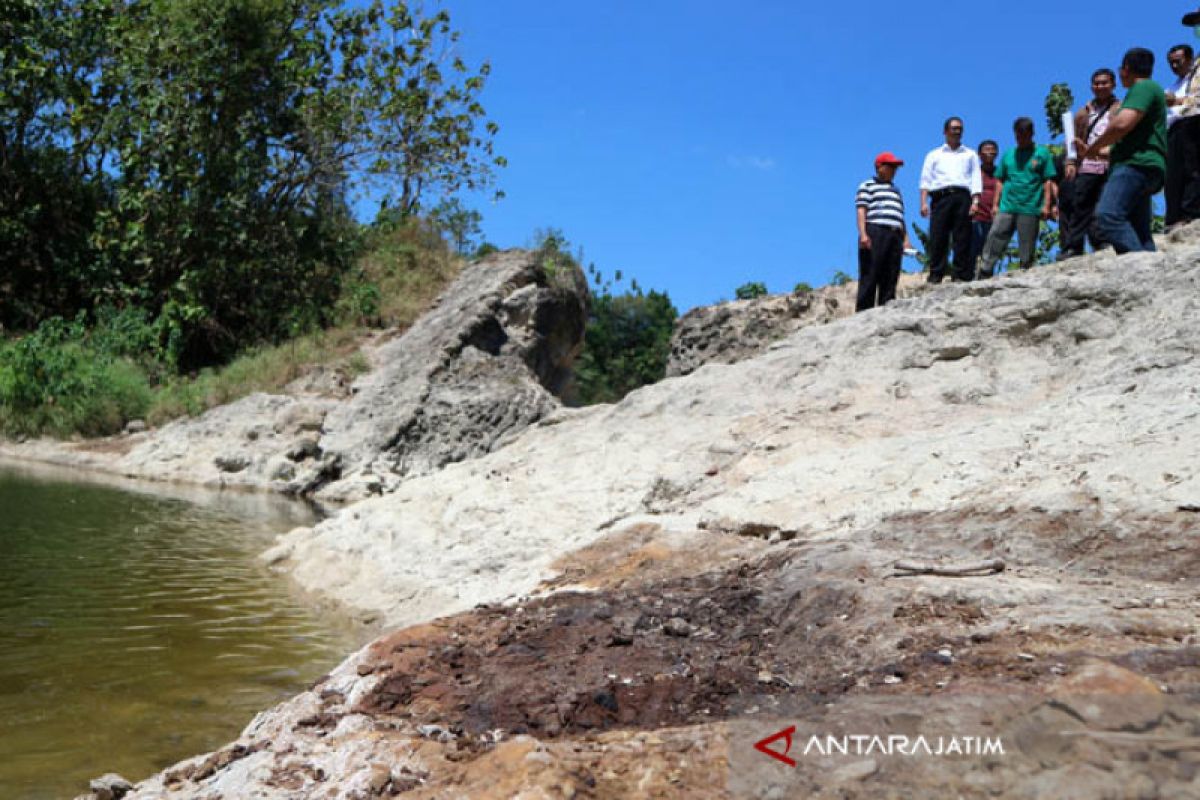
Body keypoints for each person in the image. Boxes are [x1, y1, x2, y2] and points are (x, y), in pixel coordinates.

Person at [1077, 48, 1167, 254]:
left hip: (1135, 165)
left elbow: (1121, 125)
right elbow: (1121, 144)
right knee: (1140, 230)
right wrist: (1094, 153)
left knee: (1107, 217)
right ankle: (1151, 273)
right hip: (1142, 164)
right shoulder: (1150, 89)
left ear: (1125, 69)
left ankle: (1141, 265)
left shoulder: (1143, 87)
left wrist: (1094, 145)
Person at [977, 118, 1057, 278]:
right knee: (995, 237)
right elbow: (1000, 180)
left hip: (1030, 206)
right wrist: (995, 205)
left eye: (1025, 135)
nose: (1021, 139)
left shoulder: (1042, 153)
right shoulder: (1009, 154)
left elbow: (1048, 180)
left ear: (1032, 134)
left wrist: (1047, 205)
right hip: (1007, 205)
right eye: (1018, 136)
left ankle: (1025, 273)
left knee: (1027, 245)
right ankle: (985, 271)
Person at [1061, 68, 1119, 257]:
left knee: (1103, 205)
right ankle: (1074, 246)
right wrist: (1070, 161)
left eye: (1104, 83)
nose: (1100, 86)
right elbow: (1073, 139)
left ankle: (1101, 241)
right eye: (1096, 83)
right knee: (1081, 205)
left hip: (1111, 163)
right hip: (1088, 165)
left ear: (1113, 85)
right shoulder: (1083, 112)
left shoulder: (1120, 108)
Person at [919, 117, 983, 283]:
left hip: (963, 196)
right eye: (954, 128)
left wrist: (976, 202)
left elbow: (976, 178)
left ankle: (961, 274)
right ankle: (936, 274)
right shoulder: (934, 154)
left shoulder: (970, 154)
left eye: (960, 128)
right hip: (940, 197)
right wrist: (923, 202)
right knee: (938, 236)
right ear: (945, 131)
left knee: (962, 237)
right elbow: (925, 180)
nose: (957, 131)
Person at [855, 152, 913, 312]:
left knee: (890, 274)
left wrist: (906, 239)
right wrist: (863, 234)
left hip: (895, 234)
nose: (894, 170)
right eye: (891, 166)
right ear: (879, 167)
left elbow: (900, 216)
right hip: (875, 231)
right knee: (871, 273)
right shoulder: (867, 185)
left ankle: (886, 310)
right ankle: (863, 313)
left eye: (895, 167)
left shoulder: (895, 190)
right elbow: (861, 210)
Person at [1164, 44, 1200, 227]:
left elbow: (1196, 100)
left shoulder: (1195, 78)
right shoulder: (1174, 84)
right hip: (1174, 129)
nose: (1175, 66)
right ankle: (1173, 217)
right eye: (1171, 63)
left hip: (1192, 123)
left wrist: (1176, 101)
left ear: (1189, 59)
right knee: (1172, 175)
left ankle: (1190, 213)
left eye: (1178, 62)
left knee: (1191, 170)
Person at [971, 140, 1000, 269]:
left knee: (991, 249)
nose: (990, 152)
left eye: (993, 149)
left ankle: (986, 274)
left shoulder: (1000, 173)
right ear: (979, 154)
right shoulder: (974, 173)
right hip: (977, 215)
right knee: (974, 247)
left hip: (995, 216)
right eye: (986, 149)